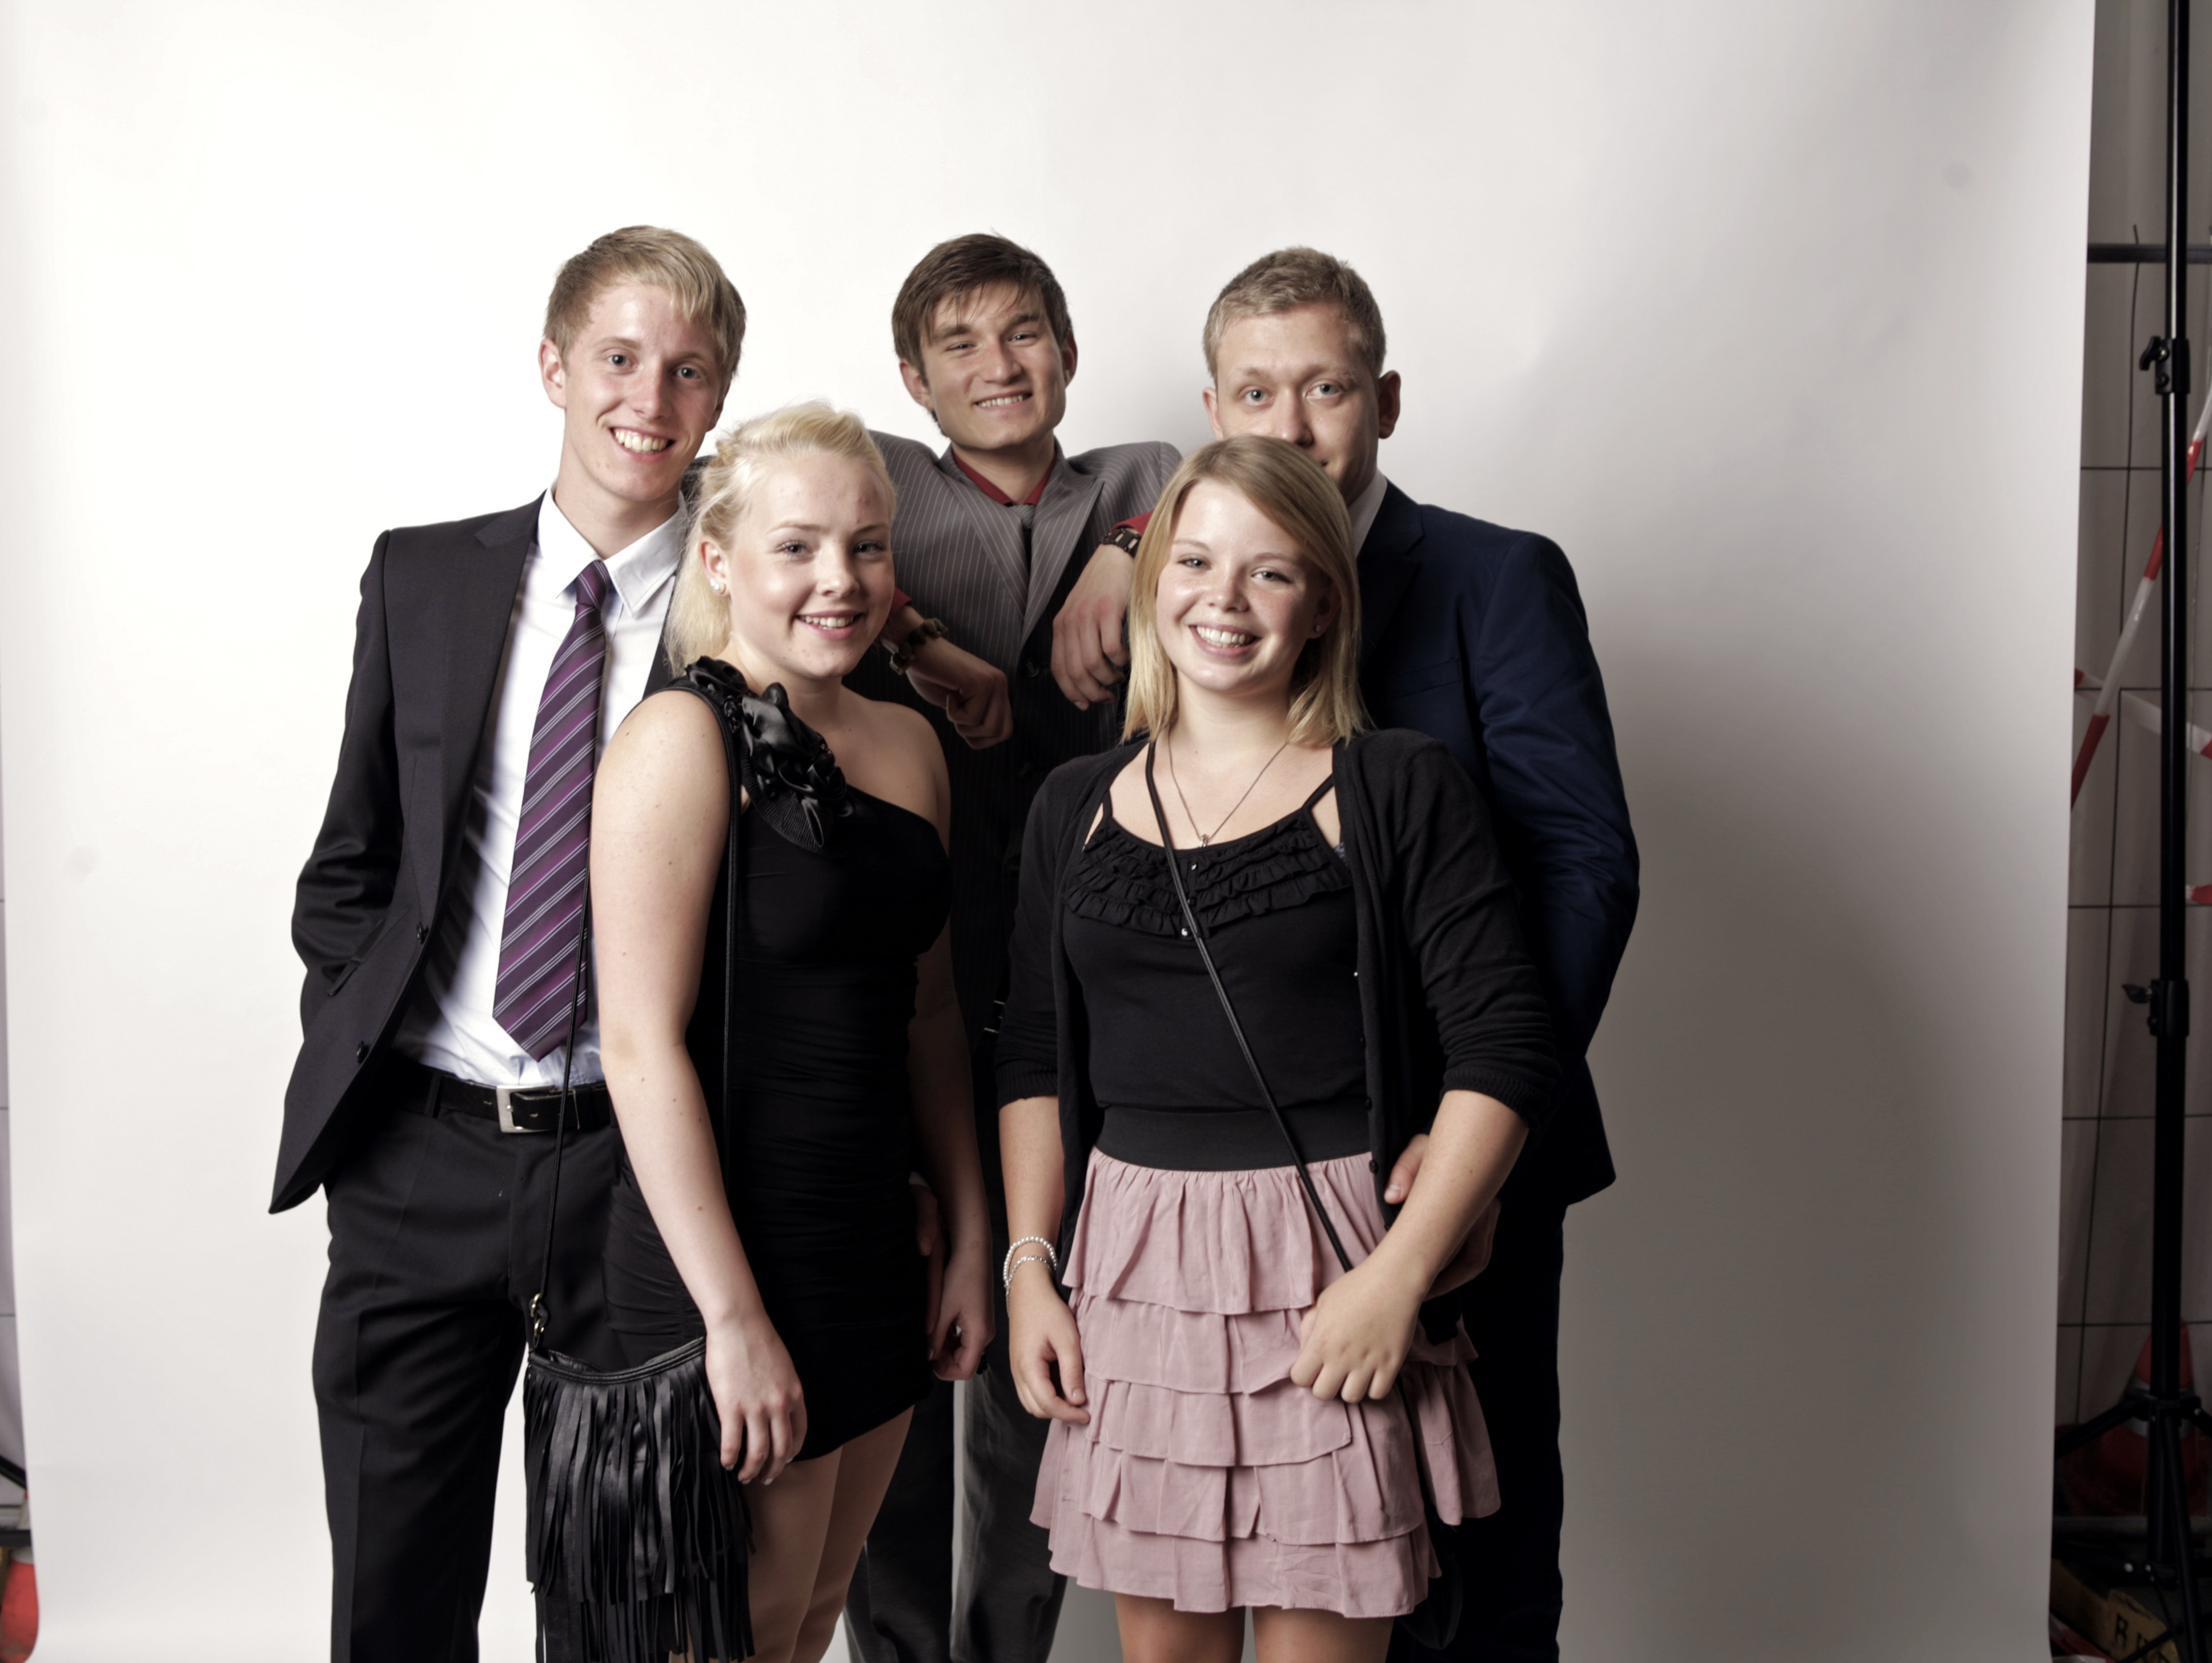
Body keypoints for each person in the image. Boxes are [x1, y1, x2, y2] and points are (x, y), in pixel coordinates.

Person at [1050, 248, 1638, 1662]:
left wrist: (1468, 1135)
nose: (1294, 422)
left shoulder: (1494, 576)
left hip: (1448, 1152)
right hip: (1227, 1184)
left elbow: (1584, 865)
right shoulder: (1177, 584)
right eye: (1257, 393)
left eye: (1326, 388)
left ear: (1386, 398)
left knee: (1481, 1555)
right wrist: (1122, 546)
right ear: (1213, 411)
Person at [995, 435, 1557, 1663]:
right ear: (1154, 580)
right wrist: (1031, 1267)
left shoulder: (1396, 783)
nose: (1226, 599)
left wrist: (1400, 1275)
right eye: (1196, 561)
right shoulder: (1070, 804)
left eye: (1271, 571)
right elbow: (1033, 1055)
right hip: (1132, 1272)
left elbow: (1505, 1043)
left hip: (1330, 1264)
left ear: (1324, 605)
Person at [279, 227, 741, 1663]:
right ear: (553, 364)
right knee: (395, 1598)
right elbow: (351, 862)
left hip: (635, 1171)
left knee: (618, 1603)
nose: (649, 398)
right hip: (421, 1153)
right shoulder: (422, 577)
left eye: (688, 371)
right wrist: (361, 1047)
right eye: (619, 357)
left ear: (719, 398)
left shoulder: (753, 607)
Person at [592, 403, 995, 1663]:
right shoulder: (678, 736)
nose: (842, 580)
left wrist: (971, 1234)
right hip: (730, 1256)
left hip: (873, 1248)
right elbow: (637, 1044)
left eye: (867, 547)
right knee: (732, 1638)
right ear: (719, 560)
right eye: (799, 547)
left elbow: (933, 1014)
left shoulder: (911, 744)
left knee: (811, 1623)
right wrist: (731, 1318)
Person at [841, 234, 1178, 1663]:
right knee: (904, 1338)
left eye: (1025, 331)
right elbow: (749, 504)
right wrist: (922, 637)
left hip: (1086, 987)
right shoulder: (876, 477)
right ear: (912, 380)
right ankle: (902, 1648)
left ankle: (1006, 1650)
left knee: (1051, 1347)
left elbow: (1224, 490)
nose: (999, 365)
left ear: (1070, 351)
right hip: (904, 976)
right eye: (959, 345)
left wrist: (1120, 554)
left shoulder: (1143, 477)